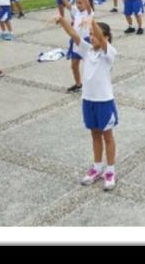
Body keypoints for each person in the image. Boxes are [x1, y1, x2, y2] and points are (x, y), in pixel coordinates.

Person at [52, 15, 120, 191]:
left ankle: (110, 170)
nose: (92, 36)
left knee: (107, 136)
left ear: (106, 38)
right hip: (88, 100)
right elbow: (73, 34)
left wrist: (92, 22)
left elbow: (101, 38)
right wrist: (61, 20)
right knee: (95, 135)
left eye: (95, 34)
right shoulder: (87, 50)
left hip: (103, 101)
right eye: (90, 34)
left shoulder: (109, 52)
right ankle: (97, 167)